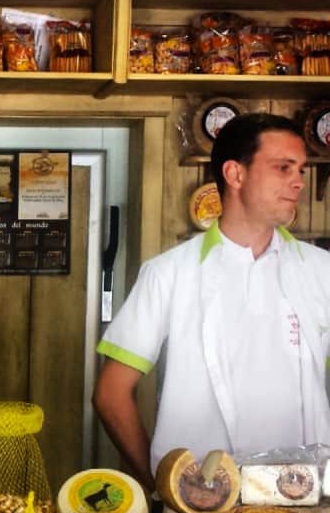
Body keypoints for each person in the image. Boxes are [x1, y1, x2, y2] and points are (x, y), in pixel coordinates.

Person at [92, 112, 330, 491]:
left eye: (300, 169)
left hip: (306, 504)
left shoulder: (322, 272)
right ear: (235, 174)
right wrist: (160, 486)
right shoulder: (170, 273)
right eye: (283, 168)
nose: (299, 182)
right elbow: (111, 393)